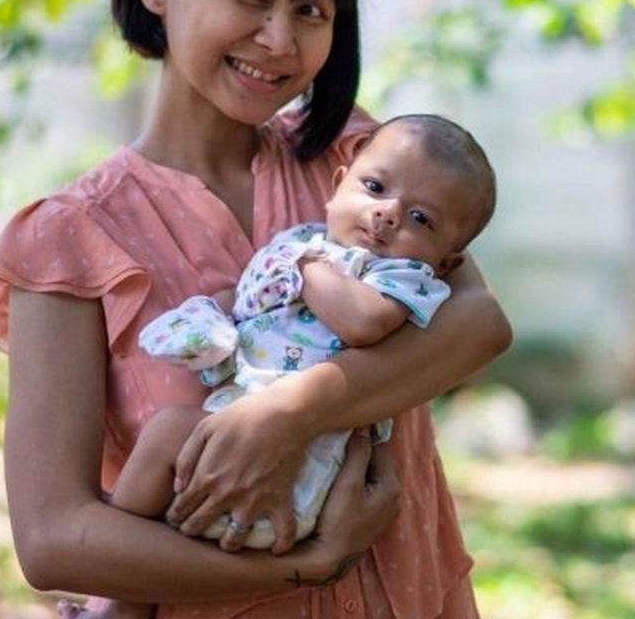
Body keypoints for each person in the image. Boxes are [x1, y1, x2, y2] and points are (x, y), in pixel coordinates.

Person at [0, 0, 512, 617]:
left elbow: (479, 325)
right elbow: (53, 540)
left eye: (311, 9)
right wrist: (307, 565)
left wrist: (288, 412)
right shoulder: (66, 241)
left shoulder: (362, 167)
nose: (280, 39)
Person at [96, 114, 496, 619]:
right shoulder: (304, 241)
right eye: (374, 188)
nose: (389, 214)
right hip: (231, 438)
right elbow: (248, 300)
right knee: (165, 434)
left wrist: (305, 268)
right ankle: (122, 603)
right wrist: (212, 318)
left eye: (421, 219)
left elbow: (362, 322)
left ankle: (126, 603)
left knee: (171, 435)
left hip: (313, 466)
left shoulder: (400, 277)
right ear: (338, 184)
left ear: (447, 261)